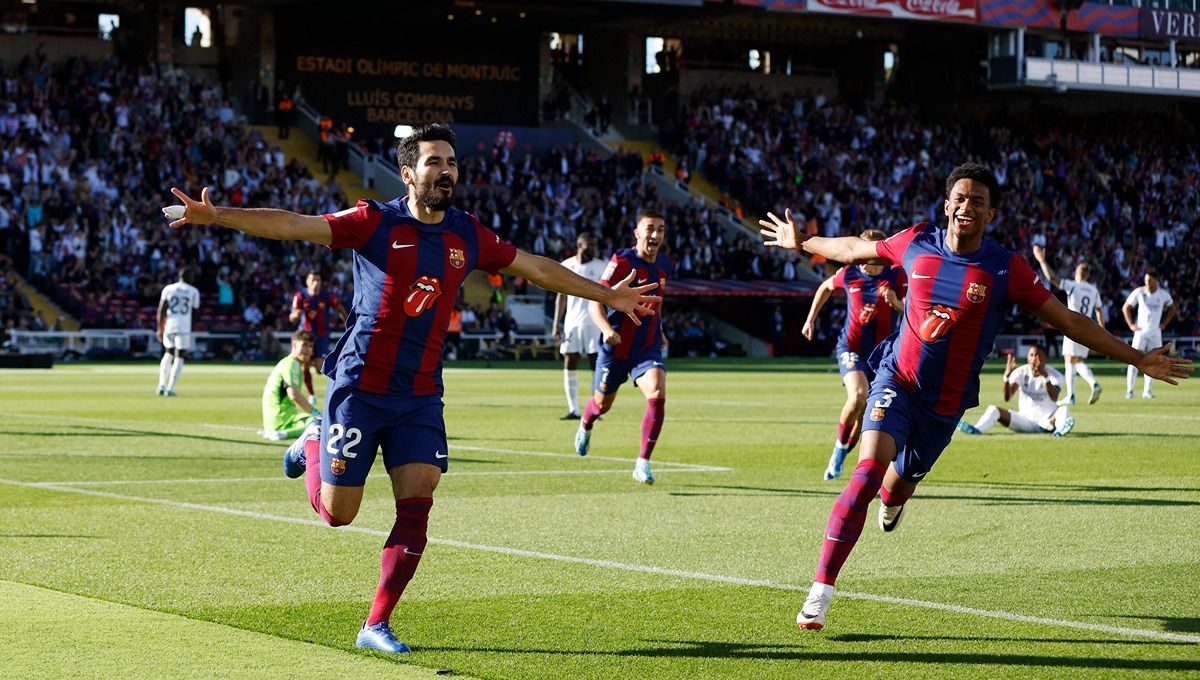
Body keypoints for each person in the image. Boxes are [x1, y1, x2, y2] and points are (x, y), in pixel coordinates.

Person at [164, 123, 659, 654]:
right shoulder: (374, 222)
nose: (446, 170)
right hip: (359, 386)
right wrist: (218, 216)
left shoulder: (467, 233)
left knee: (419, 495)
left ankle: (376, 623)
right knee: (338, 514)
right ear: (408, 173)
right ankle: (312, 439)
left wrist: (608, 294)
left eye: (451, 162)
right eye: (434, 162)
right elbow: (292, 223)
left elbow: (537, 268)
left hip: (420, 393)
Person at [759, 162, 1191, 632]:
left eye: (978, 201)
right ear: (947, 205)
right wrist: (801, 242)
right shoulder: (916, 242)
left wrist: (1136, 357)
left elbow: (1069, 321)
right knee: (865, 473)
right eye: (960, 198)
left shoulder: (1006, 268)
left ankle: (895, 498)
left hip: (944, 407)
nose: (967, 206)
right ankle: (819, 594)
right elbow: (851, 248)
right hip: (895, 381)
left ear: (991, 214)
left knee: (896, 484)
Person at [574, 211, 671, 485]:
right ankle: (587, 422)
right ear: (637, 233)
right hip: (615, 347)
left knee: (657, 389)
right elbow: (595, 300)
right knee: (602, 405)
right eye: (650, 229)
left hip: (646, 346)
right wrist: (606, 329)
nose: (655, 235)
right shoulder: (622, 261)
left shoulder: (664, 264)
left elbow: (658, 300)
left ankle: (642, 463)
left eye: (660, 230)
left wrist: (660, 330)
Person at [802, 230, 905, 480]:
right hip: (851, 348)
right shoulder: (849, 273)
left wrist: (897, 303)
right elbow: (825, 287)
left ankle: (847, 454)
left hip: (881, 356)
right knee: (858, 395)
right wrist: (810, 319)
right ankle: (838, 450)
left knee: (865, 416)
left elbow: (915, 310)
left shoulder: (895, 274)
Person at [1032, 246, 1104, 404]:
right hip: (1088, 327)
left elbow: (1052, 278)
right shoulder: (1094, 290)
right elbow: (1099, 309)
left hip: (1073, 325)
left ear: (1078, 273)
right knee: (1076, 360)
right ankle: (1086, 388)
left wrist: (1042, 260)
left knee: (1070, 360)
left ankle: (1077, 392)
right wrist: (1101, 329)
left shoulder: (1074, 286)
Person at [956, 344, 1073, 436]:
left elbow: (1054, 397)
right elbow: (1008, 397)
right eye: (1031, 355)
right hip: (1024, 421)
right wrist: (1006, 377)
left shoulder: (1055, 375)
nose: (1034, 359)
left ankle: (1060, 430)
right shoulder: (1021, 372)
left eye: (1037, 355)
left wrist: (1045, 376)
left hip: (1047, 421)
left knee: (1064, 409)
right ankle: (976, 429)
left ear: (1045, 357)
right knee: (993, 409)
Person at [551, 232, 607, 419]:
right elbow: (561, 296)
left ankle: (595, 408)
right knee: (570, 362)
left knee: (595, 363)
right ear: (579, 245)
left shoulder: (601, 266)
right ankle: (573, 410)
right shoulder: (567, 266)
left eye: (594, 246)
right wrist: (556, 323)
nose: (593, 249)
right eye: (589, 245)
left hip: (594, 322)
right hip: (571, 323)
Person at [1122, 269, 1177, 400]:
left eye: (1150, 280)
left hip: (1155, 333)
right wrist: (1131, 325)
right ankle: (1129, 390)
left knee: (1153, 362)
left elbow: (1173, 309)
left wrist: (1164, 324)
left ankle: (1147, 391)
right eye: (1146, 280)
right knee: (1133, 360)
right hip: (1140, 332)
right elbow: (1126, 307)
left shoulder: (1163, 295)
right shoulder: (1139, 292)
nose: (1147, 283)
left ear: (1156, 280)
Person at [261, 330, 319, 440]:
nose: (307, 349)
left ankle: (275, 431)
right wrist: (315, 412)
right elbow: (294, 395)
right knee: (317, 422)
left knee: (312, 420)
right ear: (294, 345)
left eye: (310, 346)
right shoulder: (292, 364)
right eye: (304, 345)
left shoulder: (288, 362)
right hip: (282, 419)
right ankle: (282, 434)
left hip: (277, 418)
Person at [155, 267, 200, 396]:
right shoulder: (193, 291)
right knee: (179, 356)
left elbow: (161, 310)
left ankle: (161, 385)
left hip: (169, 325)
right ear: (189, 277)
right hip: (184, 327)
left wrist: (159, 328)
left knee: (168, 354)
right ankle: (170, 388)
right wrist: (190, 325)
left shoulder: (168, 289)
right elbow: (195, 313)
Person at [289, 270, 346, 372]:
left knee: (320, 368)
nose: (315, 283)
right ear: (307, 281)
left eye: (318, 280)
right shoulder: (300, 295)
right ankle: (308, 388)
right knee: (304, 366)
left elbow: (340, 309)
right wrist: (294, 316)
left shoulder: (327, 295)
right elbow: (293, 315)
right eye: (313, 280)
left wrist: (348, 324)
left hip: (321, 335)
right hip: (305, 335)